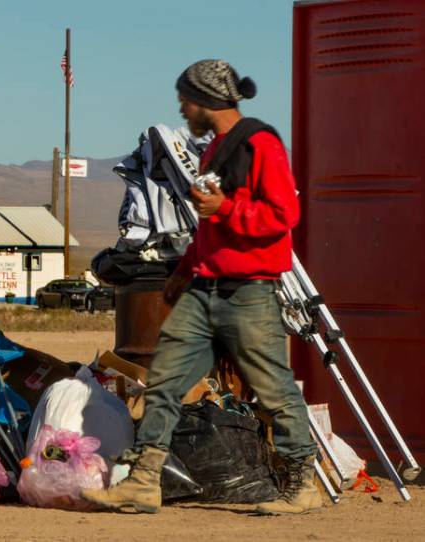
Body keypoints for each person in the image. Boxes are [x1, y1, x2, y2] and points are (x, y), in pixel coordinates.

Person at [82, 59, 320, 516]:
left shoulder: (261, 145)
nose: (182, 108)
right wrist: (184, 269)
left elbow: (283, 217)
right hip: (205, 286)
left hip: (249, 290)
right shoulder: (212, 152)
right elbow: (208, 228)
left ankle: (301, 483)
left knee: (271, 388)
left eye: (186, 99)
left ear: (208, 100)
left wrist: (225, 207)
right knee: (166, 380)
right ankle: (144, 480)